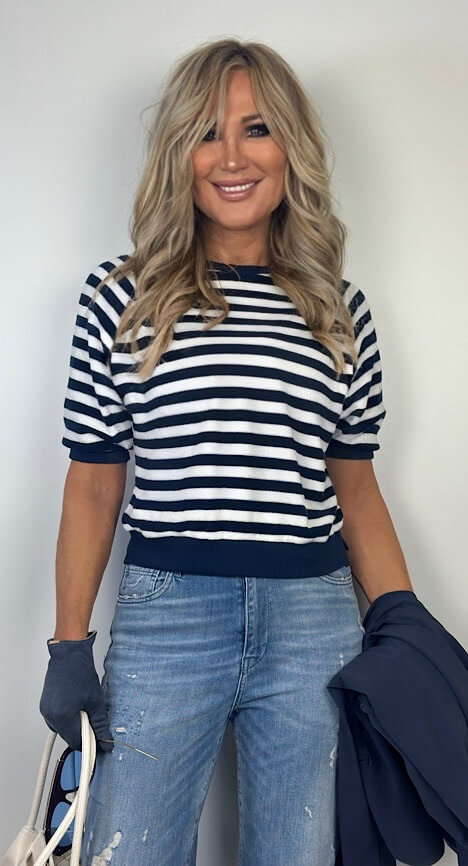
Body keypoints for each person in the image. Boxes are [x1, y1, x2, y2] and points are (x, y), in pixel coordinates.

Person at [39, 37, 414, 866]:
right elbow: (94, 482)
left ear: (291, 148)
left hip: (315, 623)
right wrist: (68, 646)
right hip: (167, 618)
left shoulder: (337, 308)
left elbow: (355, 487)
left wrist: (403, 625)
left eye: (257, 129)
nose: (233, 157)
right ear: (179, 154)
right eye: (207, 133)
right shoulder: (120, 298)